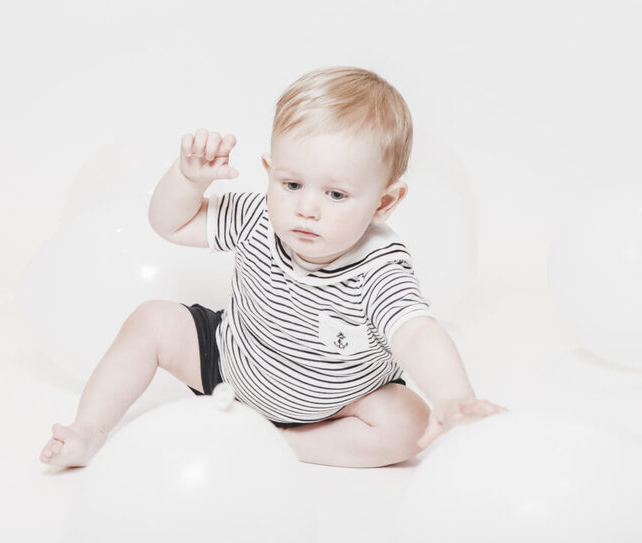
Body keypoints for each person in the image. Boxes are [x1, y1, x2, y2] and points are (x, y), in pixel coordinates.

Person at [40, 66, 507, 469]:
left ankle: (287, 445)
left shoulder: (379, 265)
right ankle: (89, 430)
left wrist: (451, 396)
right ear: (269, 172)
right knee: (151, 321)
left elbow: (417, 332)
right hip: (232, 366)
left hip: (335, 405)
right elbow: (170, 223)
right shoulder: (257, 216)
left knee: (409, 423)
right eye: (291, 183)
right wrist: (187, 180)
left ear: (384, 202)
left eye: (336, 194)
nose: (307, 208)